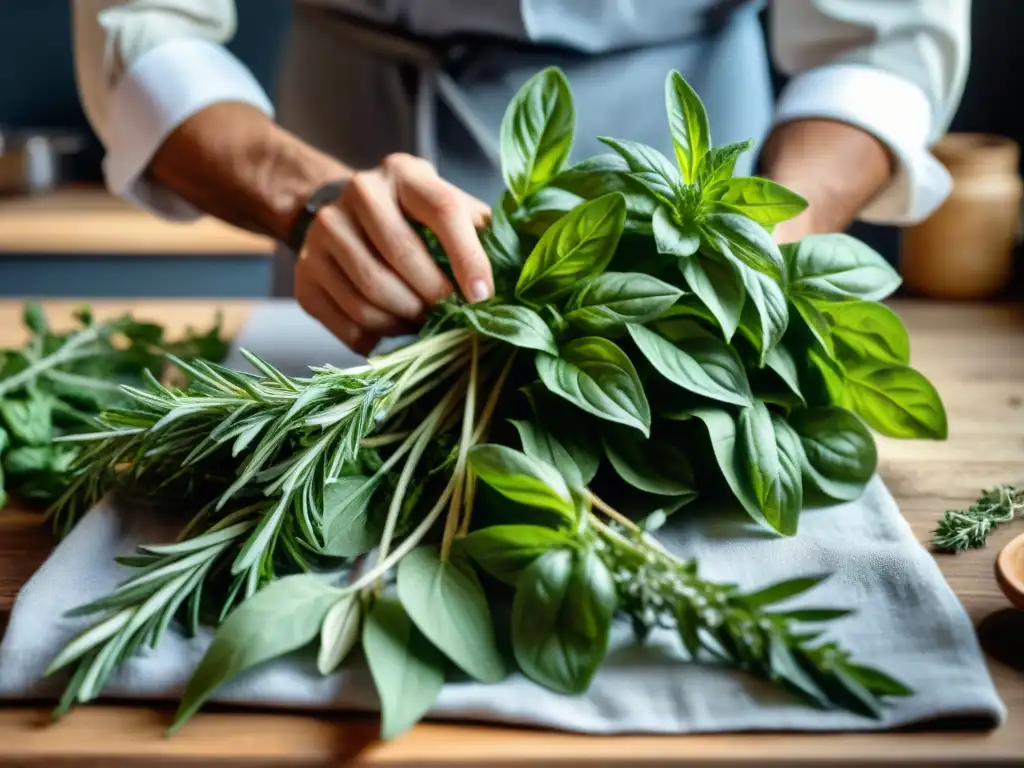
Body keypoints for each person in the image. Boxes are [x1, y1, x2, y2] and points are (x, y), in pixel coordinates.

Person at [72, 0, 970, 354]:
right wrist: (306, 200)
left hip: (682, 134)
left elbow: (878, 37)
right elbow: (144, 28)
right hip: (348, 144)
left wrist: (767, 236)